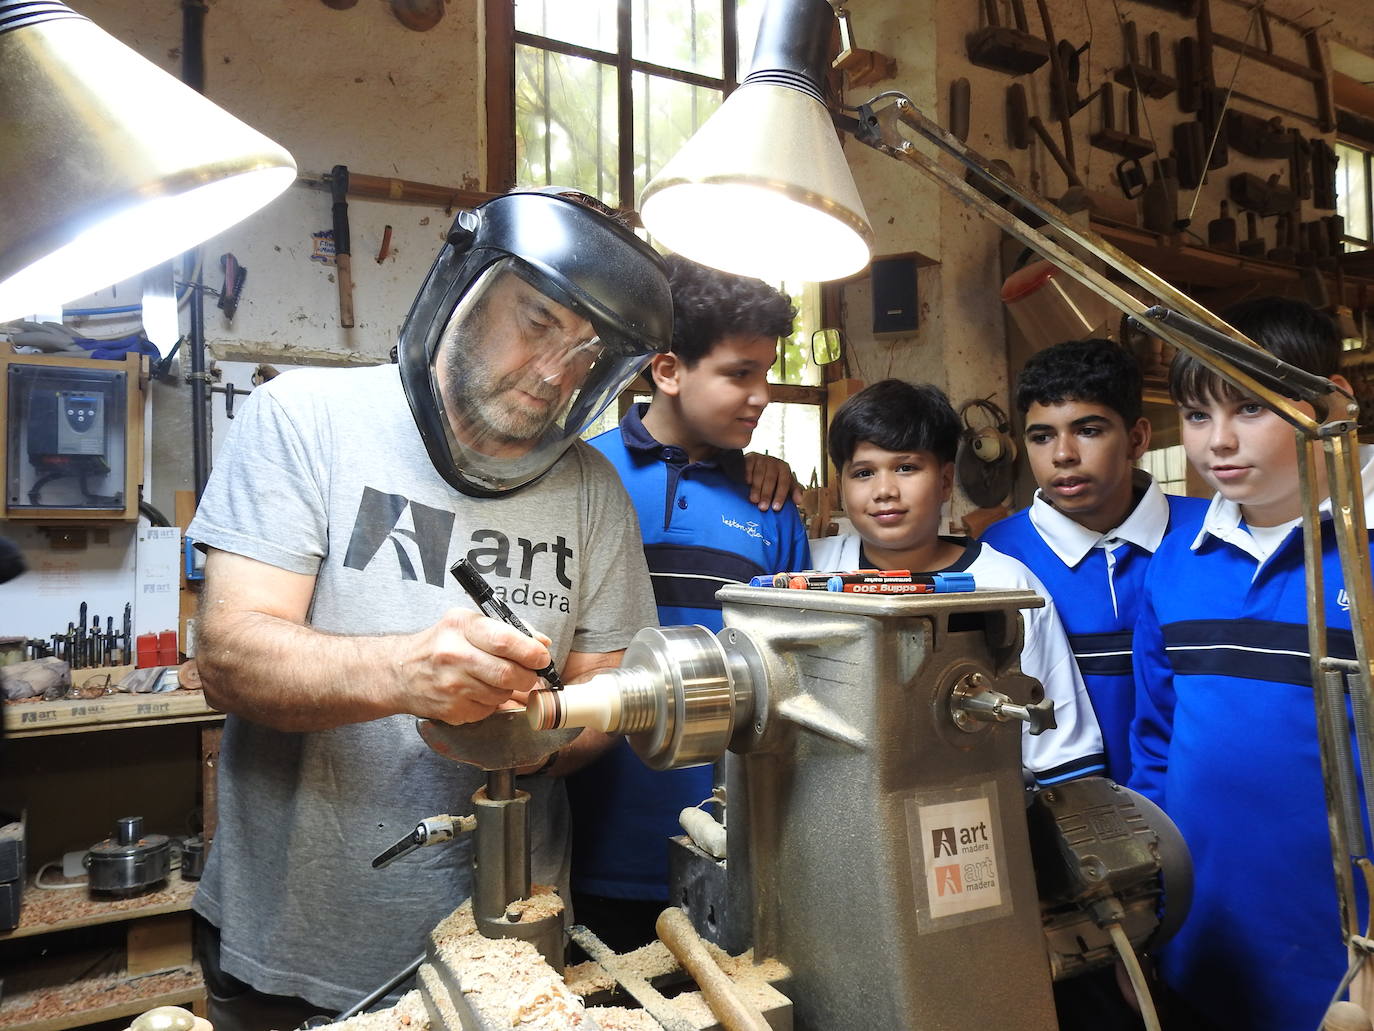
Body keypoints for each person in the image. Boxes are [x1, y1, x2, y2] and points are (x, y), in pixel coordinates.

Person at [186, 189, 670, 1031]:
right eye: (538, 322)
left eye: (590, 351)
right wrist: (407, 672)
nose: (558, 371)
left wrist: (545, 730)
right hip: (297, 953)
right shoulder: (305, 419)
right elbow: (227, 657)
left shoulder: (594, 490)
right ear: (464, 289)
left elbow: (609, 682)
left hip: (507, 959)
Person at [1130, 298, 1370, 1031]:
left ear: (1333, 401)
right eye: (1198, 415)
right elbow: (1155, 741)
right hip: (1204, 945)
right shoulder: (1176, 561)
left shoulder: (1364, 559)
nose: (1218, 442)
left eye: (1250, 410)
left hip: (1346, 962)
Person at [566, 254, 812, 951]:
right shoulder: (583, 476)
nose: (763, 394)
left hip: (728, 845)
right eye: (740, 373)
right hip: (591, 838)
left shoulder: (772, 506)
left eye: (767, 372)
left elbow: (797, 678)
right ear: (668, 370)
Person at [810, 379, 1105, 787]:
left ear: (946, 481)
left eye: (906, 467)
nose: (884, 491)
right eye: (863, 473)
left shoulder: (1006, 585)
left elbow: (1062, 752)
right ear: (841, 485)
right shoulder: (809, 573)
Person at [981, 339, 1206, 786]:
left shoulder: (1209, 537)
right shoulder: (998, 556)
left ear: (1137, 438)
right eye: (1042, 436)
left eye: (1088, 430)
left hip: (1198, 811)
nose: (1063, 454)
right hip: (1057, 818)